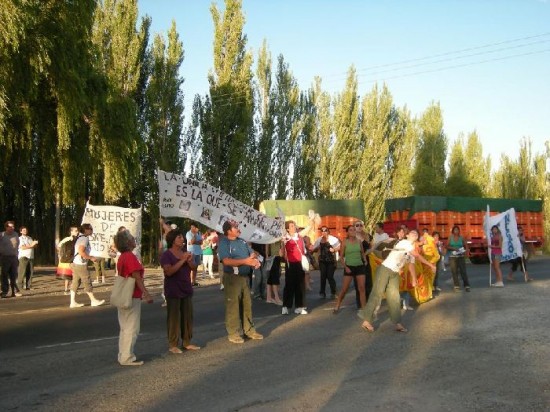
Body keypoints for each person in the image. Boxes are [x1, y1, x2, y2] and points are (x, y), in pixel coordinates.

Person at [358, 229, 435, 333]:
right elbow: (417, 256)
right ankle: (367, 321)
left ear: (417, 238)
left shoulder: (411, 249)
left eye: (416, 233)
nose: (414, 234)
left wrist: (413, 278)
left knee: (394, 297)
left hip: (394, 273)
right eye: (412, 233)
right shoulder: (405, 243)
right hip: (385, 269)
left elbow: (411, 265)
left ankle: (397, 323)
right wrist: (430, 265)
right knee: (377, 293)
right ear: (407, 236)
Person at [218, 219, 264, 343]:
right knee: (233, 306)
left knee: (247, 304)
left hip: (244, 277)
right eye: (235, 227)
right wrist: (246, 261)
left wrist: (254, 260)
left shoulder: (242, 241)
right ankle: (233, 333)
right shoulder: (224, 243)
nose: (238, 229)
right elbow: (226, 261)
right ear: (228, 231)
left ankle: (249, 330)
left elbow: (252, 253)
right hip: (232, 278)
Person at [114, 229, 154, 366]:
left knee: (125, 327)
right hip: (132, 295)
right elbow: (136, 276)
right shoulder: (130, 256)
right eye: (132, 238)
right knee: (132, 327)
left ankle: (123, 355)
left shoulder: (122, 256)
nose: (134, 239)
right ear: (127, 242)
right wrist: (146, 293)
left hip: (124, 295)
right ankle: (127, 357)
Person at [159, 229, 201, 353]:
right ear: (172, 240)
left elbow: (194, 268)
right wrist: (182, 260)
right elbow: (169, 271)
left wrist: (189, 260)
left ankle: (187, 341)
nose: (182, 239)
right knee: (173, 317)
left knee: (187, 316)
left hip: (186, 287)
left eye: (182, 237)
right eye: (179, 237)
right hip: (173, 290)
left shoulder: (185, 252)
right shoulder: (167, 255)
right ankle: (173, 344)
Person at [69, 223, 105, 308]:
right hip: (80, 264)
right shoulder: (84, 239)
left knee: (76, 282)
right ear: (86, 230)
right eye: (91, 229)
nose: (92, 230)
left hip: (75, 263)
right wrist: (90, 258)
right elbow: (81, 251)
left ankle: (72, 302)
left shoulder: (80, 237)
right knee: (87, 280)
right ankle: (93, 300)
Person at [334, 225, 368, 313]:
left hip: (359, 266)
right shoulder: (345, 242)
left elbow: (362, 253)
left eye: (354, 230)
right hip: (349, 267)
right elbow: (341, 257)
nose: (353, 231)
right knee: (344, 289)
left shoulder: (359, 241)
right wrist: (346, 267)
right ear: (348, 232)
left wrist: (364, 260)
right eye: (351, 230)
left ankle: (364, 309)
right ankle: (337, 304)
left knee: (362, 288)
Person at [281, 220, 308, 315]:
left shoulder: (299, 236)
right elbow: (282, 254)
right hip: (290, 264)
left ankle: (299, 307)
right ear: (288, 229)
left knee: (300, 286)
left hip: (299, 263)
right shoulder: (285, 238)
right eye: (291, 226)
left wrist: (313, 220)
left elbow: (308, 229)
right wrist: (282, 243)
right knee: (289, 285)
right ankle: (285, 306)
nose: (294, 227)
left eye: (294, 225)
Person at [311, 226, 340, 299]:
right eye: (322, 230)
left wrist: (334, 249)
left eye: (325, 230)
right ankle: (322, 292)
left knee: (330, 276)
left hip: (331, 260)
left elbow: (340, 246)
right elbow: (314, 248)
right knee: (323, 276)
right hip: (322, 261)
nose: (324, 232)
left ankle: (333, 292)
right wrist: (315, 249)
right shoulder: (319, 240)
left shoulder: (333, 239)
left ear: (328, 231)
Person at [0, 221, 22, 298]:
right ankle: (4, 291)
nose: (12, 228)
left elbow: (17, 245)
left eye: (13, 226)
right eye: (10, 227)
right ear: (6, 227)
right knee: (4, 275)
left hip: (14, 257)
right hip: (5, 257)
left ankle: (14, 291)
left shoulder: (16, 234)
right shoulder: (2, 235)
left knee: (14, 275)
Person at [446, 225, 471, 292]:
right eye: (455, 230)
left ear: (459, 231)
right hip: (452, 257)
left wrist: (466, 251)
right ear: (453, 231)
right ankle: (456, 286)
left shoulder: (461, 237)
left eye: (457, 230)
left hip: (460, 256)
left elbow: (466, 245)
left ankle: (467, 285)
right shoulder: (450, 237)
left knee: (463, 271)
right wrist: (454, 248)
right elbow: (447, 246)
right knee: (454, 272)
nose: (456, 231)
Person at [56, 226, 78, 295]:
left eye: (77, 231)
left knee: (74, 275)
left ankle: (72, 290)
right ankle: (66, 290)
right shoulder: (67, 239)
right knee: (67, 275)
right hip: (68, 259)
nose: (77, 232)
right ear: (71, 232)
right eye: (75, 231)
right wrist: (61, 255)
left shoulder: (78, 239)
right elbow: (58, 246)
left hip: (75, 259)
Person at [17, 226, 38, 290]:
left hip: (31, 256)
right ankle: (19, 287)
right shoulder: (20, 239)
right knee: (22, 272)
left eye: (26, 230)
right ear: (20, 231)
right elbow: (23, 247)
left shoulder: (29, 238)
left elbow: (34, 247)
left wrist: (35, 244)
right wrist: (32, 245)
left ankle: (28, 286)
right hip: (23, 256)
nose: (25, 231)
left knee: (30, 272)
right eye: (23, 230)